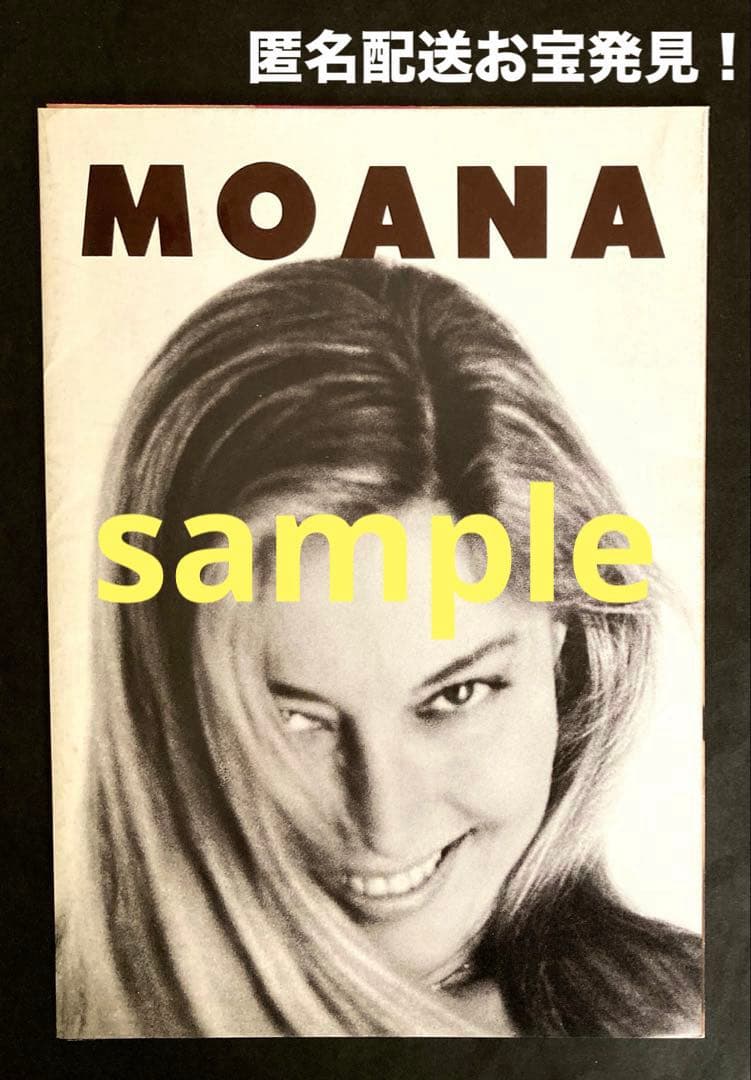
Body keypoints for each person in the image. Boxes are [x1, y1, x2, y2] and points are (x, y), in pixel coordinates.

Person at [59, 259, 702, 1037]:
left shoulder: (682, 1024)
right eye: (294, 718)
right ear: (160, 704)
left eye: (455, 695)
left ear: (564, 656)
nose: (383, 825)